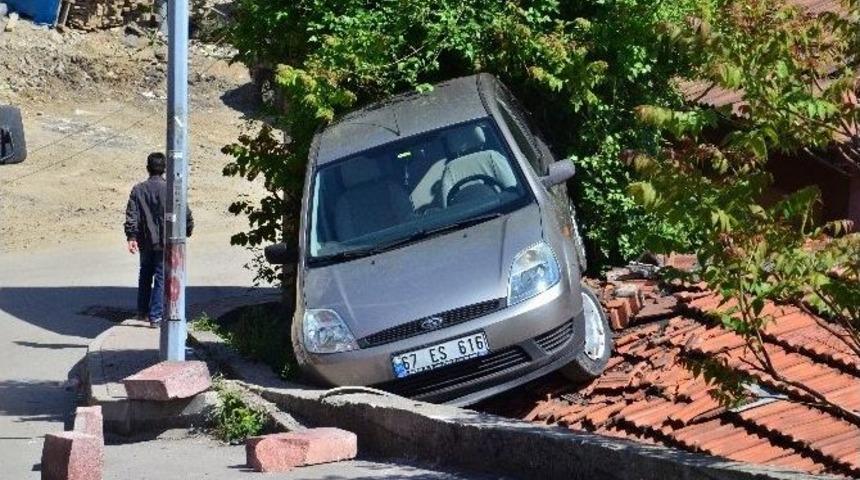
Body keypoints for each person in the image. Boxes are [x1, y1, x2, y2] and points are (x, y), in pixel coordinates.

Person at [124, 152, 193, 327]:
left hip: (145, 240)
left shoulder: (138, 190)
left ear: (148, 168)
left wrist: (131, 236)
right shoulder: (171, 189)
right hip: (165, 241)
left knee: (145, 275)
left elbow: (132, 214)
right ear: (164, 169)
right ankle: (155, 316)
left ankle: (142, 312)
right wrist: (188, 229)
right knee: (161, 277)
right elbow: (184, 212)